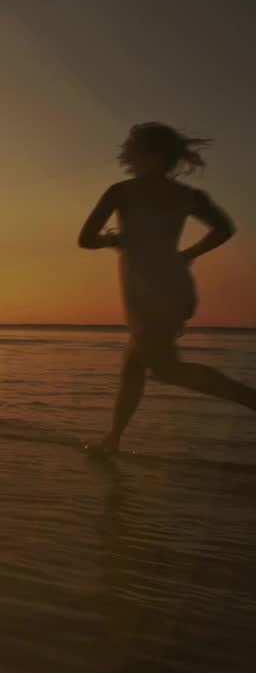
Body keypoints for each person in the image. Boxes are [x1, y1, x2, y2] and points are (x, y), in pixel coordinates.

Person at [78, 122, 256, 453]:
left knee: (164, 369)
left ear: (149, 155)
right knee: (134, 363)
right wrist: (187, 255)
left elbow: (85, 240)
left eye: (136, 151)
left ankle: (250, 399)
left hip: (146, 290)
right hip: (173, 282)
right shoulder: (189, 196)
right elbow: (224, 229)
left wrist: (113, 240)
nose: (131, 157)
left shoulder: (121, 191)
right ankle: (112, 441)